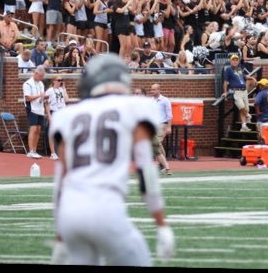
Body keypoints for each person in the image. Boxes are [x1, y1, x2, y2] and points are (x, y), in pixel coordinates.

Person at [49, 53, 175, 266]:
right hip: (106, 208)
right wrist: (161, 224)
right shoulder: (136, 107)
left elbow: (61, 180)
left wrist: (60, 236)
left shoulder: (67, 115)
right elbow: (146, 171)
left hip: (70, 214)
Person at [222, 54, 256, 131]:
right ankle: (248, 116)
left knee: (245, 108)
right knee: (241, 106)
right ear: (230, 61)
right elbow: (225, 81)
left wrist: (252, 78)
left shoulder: (240, 69)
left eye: (236, 60)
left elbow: (244, 77)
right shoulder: (228, 69)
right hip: (236, 91)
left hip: (244, 91)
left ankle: (243, 125)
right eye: (233, 60)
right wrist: (225, 92)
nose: (235, 61)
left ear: (238, 61)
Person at [23, 65, 46, 159]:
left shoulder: (41, 83)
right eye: (40, 76)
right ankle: (30, 150)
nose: (41, 78)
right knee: (33, 129)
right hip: (31, 108)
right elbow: (27, 98)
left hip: (40, 108)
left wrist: (44, 97)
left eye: (42, 76)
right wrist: (39, 96)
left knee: (38, 129)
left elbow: (41, 96)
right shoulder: (27, 83)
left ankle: (35, 150)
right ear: (36, 73)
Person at [44, 75, 69, 160]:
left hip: (62, 112)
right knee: (52, 133)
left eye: (61, 80)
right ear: (53, 81)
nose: (60, 82)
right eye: (59, 80)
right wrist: (49, 115)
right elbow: (46, 103)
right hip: (54, 112)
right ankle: (53, 152)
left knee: (63, 132)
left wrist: (64, 88)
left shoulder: (61, 90)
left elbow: (67, 100)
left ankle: (62, 152)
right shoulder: (49, 91)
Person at [150, 83, 173, 175]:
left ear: (159, 90)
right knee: (157, 145)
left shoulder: (165, 100)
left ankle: (163, 165)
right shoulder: (150, 101)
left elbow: (169, 114)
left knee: (157, 143)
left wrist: (169, 126)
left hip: (162, 124)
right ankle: (163, 164)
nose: (152, 91)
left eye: (154, 89)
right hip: (153, 125)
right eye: (151, 89)